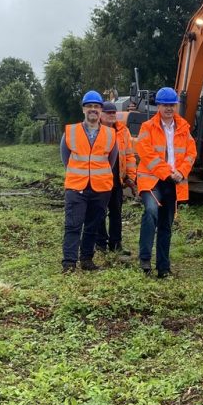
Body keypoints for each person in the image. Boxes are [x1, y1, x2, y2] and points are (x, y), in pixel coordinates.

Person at [135, 87, 197, 278]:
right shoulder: (147, 127)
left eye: (172, 105)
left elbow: (191, 153)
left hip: (173, 182)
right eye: (165, 105)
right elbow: (146, 154)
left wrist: (182, 171)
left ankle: (163, 268)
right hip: (151, 180)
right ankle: (145, 259)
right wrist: (168, 173)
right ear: (158, 106)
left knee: (166, 225)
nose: (169, 108)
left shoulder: (184, 128)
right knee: (151, 212)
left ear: (176, 105)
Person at [59, 90, 117, 273]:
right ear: (84, 109)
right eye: (90, 106)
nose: (93, 109)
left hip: (101, 187)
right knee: (73, 225)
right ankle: (69, 262)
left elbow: (112, 159)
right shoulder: (71, 131)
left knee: (93, 226)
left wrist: (97, 174)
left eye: (97, 107)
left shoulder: (110, 134)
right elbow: (65, 158)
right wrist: (81, 173)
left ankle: (86, 260)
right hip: (76, 186)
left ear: (101, 111)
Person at [96, 101, 137, 258]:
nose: (112, 115)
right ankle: (100, 243)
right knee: (99, 212)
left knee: (116, 213)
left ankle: (116, 244)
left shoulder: (122, 131)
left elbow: (129, 155)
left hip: (117, 179)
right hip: (99, 180)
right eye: (109, 113)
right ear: (101, 114)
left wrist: (131, 177)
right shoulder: (96, 131)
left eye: (113, 113)